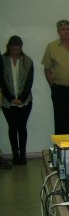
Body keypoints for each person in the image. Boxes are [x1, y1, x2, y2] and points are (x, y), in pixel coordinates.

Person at [0, 36, 34, 165]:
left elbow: (29, 82)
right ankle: (15, 154)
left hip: (25, 101)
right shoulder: (2, 60)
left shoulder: (28, 61)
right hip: (7, 102)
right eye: (14, 49)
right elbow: (1, 81)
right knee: (12, 127)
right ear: (9, 47)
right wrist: (11, 98)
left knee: (22, 127)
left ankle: (23, 154)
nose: (16, 52)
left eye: (19, 49)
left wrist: (21, 98)